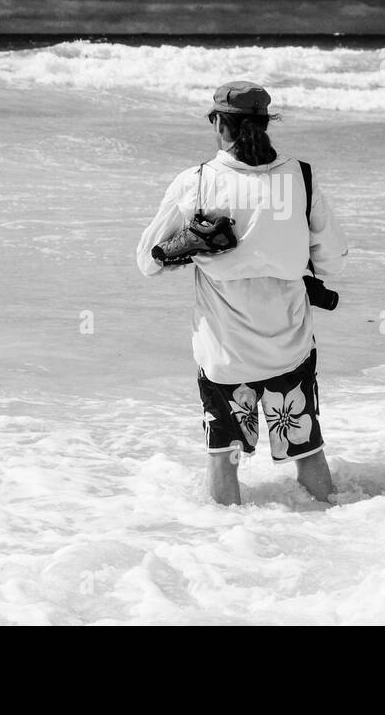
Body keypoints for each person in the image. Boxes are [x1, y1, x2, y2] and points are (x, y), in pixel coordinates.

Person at [136, 81, 348, 506]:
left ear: (218, 124)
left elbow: (148, 261)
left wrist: (190, 248)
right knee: (306, 452)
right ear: (266, 124)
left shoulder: (196, 182)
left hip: (224, 353)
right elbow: (333, 262)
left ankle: (230, 549)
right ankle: (334, 528)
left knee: (225, 457)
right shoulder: (300, 177)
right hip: (289, 346)